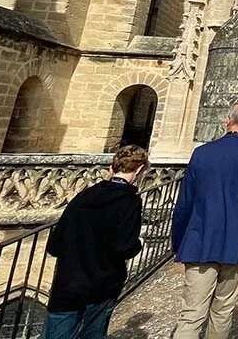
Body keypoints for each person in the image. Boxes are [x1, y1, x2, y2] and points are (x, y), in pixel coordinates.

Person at [171, 100, 238, 339]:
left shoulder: (202, 153)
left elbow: (184, 204)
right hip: (236, 245)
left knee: (191, 314)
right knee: (223, 311)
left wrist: (179, 242)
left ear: (227, 120)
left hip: (199, 241)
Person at [43, 145, 147, 339]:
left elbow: (55, 244)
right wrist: (137, 244)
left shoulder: (83, 196)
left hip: (67, 286)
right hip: (102, 286)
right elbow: (123, 247)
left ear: (112, 168)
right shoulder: (129, 202)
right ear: (139, 170)